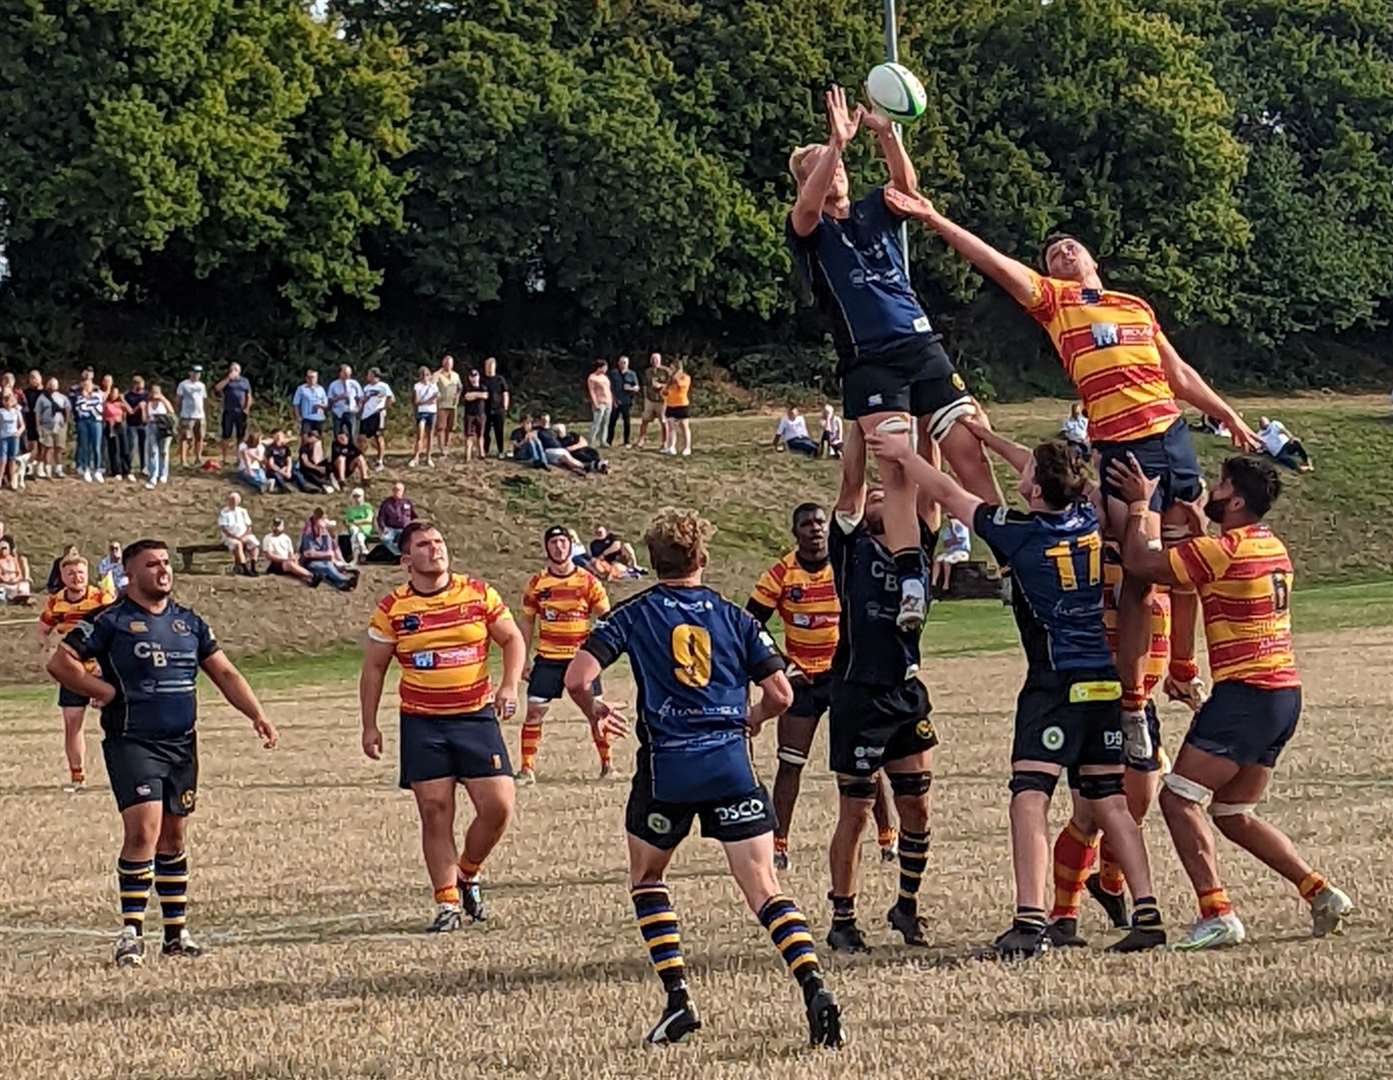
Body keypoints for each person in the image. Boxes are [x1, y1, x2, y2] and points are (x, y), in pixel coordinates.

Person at [892, 191, 1263, 741]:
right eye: (1052, 254)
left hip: (1172, 432)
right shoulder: (1055, 302)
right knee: (1140, 569)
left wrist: (1227, 413)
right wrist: (934, 218)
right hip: (1122, 445)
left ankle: (1184, 670)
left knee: (1193, 555)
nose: (1062, 250)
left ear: (1094, 258)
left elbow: (1178, 375)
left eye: (1071, 246)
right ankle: (1135, 703)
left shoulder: (1134, 306)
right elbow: (994, 263)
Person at [871, 426, 1169, 955]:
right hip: (1103, 680)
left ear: (1033, 492)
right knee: (1110, 800)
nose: (1020, 473)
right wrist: (986, 436)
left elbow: (946, 491)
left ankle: (1030, 921)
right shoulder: (1089, 517)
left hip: (1054, 682)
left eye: (1026, 474)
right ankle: (1147, 914)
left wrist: (902, 455)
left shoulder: (1018, 532)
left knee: (1029, 797)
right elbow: (1046, 470)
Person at [563, 507, 844, 1049]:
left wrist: (595, 710)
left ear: (652, 559)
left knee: (647, 878)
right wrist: (753, 720)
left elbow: (578, 677)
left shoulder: (632, 612)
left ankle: (678, 1001)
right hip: (729, 764)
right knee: (764, 887)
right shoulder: (736, 617)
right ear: (703, 558)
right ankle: (814, 985)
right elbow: (782, 695)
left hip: (668, 767)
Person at [1109, 452, 1353, 948]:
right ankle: (1320, 891)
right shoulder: (1272, 547)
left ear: (1236, 499)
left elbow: (1140, 563)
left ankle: (1217, 912)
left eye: (1218, 486)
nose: (1210, 493)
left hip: (1246, 693)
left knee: (1178, 799)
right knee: (1232, 813)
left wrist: (1138, 506)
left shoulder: (1226, 550)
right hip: (1283, 695)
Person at [787, 87, 1002, 636]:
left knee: (968, 450)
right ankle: (911, 576)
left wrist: (885, 135)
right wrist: (834, 142)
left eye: (834, 163)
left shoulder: (871, 209)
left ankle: (1010, 551)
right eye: (818, 166)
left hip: (920, 344)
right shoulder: (809, 229)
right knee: (898, 465)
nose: (832, 170)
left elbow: (910, 191)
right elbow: (808, 207)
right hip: (869, 361)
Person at [47, 538, 278, 966]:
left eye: (167, 563)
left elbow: (224, 672)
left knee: (173, 836)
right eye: (152, 564)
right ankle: (131, 934)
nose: (163, 570)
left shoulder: (188, 623)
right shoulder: (109, 621)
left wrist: (256, 714)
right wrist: (101, 690)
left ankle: (175, 934)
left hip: (181, 744)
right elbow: (61, 663)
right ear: (130, 575)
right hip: (133, 741)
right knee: (143, 831)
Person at [361, 521, 525, 931]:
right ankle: (447, 902)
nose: (435, 549)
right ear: (406, 560)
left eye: (439, 541)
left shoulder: (478, 593)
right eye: (423, 544)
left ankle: (467, 870)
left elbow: (513, 640)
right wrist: (370, 725)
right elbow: (374, 669)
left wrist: (508, 686)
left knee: (499, 806)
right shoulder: (392, 609)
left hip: (475, 716)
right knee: (435, 812)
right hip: (422, 723)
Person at [820, 425, 939, 952]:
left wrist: (925, 422)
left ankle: (906, 906)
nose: (879, 496)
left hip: (905, 691)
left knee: (918, 808)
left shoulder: (918, 541)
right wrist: (859, 414)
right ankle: (842, 918)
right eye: (875, 494)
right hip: (858, 693)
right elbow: (850, 480)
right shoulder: (850, 547)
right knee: (858, 809)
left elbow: (930, 481)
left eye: (888, 491)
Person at [747, 503, 897, 872]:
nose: (815, 529)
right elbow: (751, 623)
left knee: (865, 761)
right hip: (804, 682)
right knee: (790, 763)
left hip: (846, 677)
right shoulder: (782, 572)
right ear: (795, 531)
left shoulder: (848, 564)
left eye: (819, 522)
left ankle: (887, 834)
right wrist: (780, 663)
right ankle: (779, 843)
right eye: (806, 524)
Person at [515, 526, 613, 784]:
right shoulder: (537, 583)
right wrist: (523, 659)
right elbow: (526, 622)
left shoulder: (588, 581)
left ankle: (608, 765)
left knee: (596, 712)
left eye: (563, 542)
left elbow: (607, 619)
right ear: (546, 547)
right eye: (554, 542)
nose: (559, 547)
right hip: (548, 659)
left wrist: (599, 655)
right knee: (534, 712)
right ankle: (526, 770)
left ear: (571, 546)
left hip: (581, 660)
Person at [38, 553, 117, 791]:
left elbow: (115, 631)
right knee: (72, 724)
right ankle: (77, 776)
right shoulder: (55, 601)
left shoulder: (102, 598)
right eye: (71, 573)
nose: (76, 577)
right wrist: (48, 648)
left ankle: (123, 773)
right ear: (62, 576)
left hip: (101, 670)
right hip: (72, 672)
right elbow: (43, 629)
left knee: (116, 724)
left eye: (81, 572)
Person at [300, 509, 357, 590]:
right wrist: (327, 555)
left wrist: (339, 561)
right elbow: (309, 553)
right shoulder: (309, 533)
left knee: (330, 565)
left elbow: (333, 548)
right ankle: (345, 580)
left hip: (325, 560)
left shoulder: (325, 532)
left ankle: (341, 584)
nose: (325, 521)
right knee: (327, 566)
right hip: (310, 562)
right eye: (322, 519)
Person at [214, 363, 253, 466]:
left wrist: (247, 408)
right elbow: (217, 388)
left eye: (235, 369)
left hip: (241, 412)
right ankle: (225, 458)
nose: (233, 371)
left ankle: (239, 458)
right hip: (228, 412)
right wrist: (228, 379)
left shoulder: (245, 381)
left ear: (239, 371)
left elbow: (248, 396)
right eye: (232, 369)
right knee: (226, 435)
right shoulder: (227, 381)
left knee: (241, 436)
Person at [34, 376, 70, 479]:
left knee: (59, 448)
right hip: (46, 426)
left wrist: (66, 422)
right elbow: (37, 413)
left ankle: (58, 469)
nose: (52, 387)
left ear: (57, 386)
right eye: (50, 385)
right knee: (48, 448)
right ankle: (47, 470)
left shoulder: (62, 397)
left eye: (54, 385)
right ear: (47, 385)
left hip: (60, 426)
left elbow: (67, 408)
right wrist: (38, 426)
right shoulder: (42, 398)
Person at [217, 491, 260, 577]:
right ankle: (244, 568)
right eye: (231, 500)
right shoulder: (224, 512)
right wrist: (235, 537)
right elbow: (223, 528)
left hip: (243, 535)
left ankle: (253, 565)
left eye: (235, 500)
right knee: (238, 544)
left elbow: (249, 526)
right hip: (230, 536)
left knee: (254, 542)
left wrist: (244, 535)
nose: (232, 502)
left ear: (238, 501)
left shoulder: (243, 511)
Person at [359, 368, 395, 470]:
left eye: (369, 374)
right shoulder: (366, 387)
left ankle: (380, 461)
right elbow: (363, 400)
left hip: (377, 414)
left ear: (374, 375)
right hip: (366, 415)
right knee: (361, 438)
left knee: (378, 437)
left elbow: (391, 398)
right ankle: (361, 459)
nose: (367, 376)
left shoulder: (383, 386)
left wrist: (384, 408)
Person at [261, 518, 316, 584]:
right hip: (275, 564)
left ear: (283, 527)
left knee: (295, 561)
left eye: (278, 526)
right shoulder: (268, 538)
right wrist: (285, 559)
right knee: (289, 563)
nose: (276, 528)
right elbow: (269, 555)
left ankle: (309, 579)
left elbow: (290, 553)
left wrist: (293, 558)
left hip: (286, 562)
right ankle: (311, 576)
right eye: (275, 525)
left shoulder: (286, 538)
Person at [141, 382, 175, 488]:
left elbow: (171, 411)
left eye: (157, 392)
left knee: (164, 451)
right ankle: (153, 475)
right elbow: (145, 419)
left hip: (164, 427)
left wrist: (162, 399)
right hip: (152, 426)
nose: (155, 394)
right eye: (153, 392)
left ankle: (163, 473)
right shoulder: (148, 403)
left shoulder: (163, 402)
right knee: (153, 452)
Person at [73, 374, 106, 482]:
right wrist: (90, 407)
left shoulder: (98, 395)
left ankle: (97, 470)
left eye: (89, 385)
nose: (87, 387)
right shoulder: (79, 397)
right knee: (85, 446)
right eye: (85, 385)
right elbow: (81, 410)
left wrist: (88, 407)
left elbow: (99, 409)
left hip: (96, 423)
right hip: (83, 423)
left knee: (96, 447)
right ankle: (86, 469)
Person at [175, 366, 208, 468]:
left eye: (199, 373)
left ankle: (198, 458)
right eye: (195, 372)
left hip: (200, 415)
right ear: (190, 373)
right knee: (184, 438)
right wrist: (180, 411)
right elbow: (178, 399)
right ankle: (183, 460)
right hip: (187, 415)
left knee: (200, 437)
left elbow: (204, 399)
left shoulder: (202, 385)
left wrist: (204, 412)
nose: (197, 374)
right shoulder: (183, 384)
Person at [931, 514, 971, 593]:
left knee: (946, 560)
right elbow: (946, 543)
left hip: (961, 552)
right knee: (937, 559)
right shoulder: (948, 529)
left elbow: (960, 540)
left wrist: (953, 535)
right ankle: (934, 582)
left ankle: (946, 584)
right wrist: (952, 537)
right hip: (951, 552)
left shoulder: (962, 527)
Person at [637, 352, 669, 449]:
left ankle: (665, 442)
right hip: (650, 399)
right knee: (645, 420)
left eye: (657, 359)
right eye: (653, 359)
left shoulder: (666, 371)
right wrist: (645, 396)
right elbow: (645, 385)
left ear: (660, 360)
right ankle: (641, 440)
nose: (655, 361)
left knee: (663, 421)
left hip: (662, 400)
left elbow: (671, 384)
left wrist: (662, 386)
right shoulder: (648, 372)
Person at [376, 481, 417, 556]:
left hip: (405, 529)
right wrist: (384, 528)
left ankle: (410, 555)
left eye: (399, 490)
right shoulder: (386, 503)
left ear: (403, 491)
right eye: (395, 489)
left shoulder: (407, 502)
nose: (396, 492)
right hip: (391, 529)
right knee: (385, 539)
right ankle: (398, 554)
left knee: (411, 540)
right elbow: (380, 518)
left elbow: (413, 516)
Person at [607, 355, 640, 447]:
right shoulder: (613, 373)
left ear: (628, 364)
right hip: (616, 401)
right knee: (612, 422)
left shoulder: (632, 374)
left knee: (627, 422)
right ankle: (609, 441)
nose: (623, 364)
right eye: (621, 362)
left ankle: (626, 441)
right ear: (618, 363)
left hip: (627, 401)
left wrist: (631, 388)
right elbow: (610, 388)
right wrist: (613, 400)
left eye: (625, 363)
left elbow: (637, 387)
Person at [661, 360, 692, 456]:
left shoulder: (685, 377)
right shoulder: (670, 380)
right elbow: (665, 391)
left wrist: (675, 377)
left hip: (681, 405)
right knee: (671, 427)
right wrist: (664, 391)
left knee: (684, 426)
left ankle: (687, 447)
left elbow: (680, 386)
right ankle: (671, 447)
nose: (671, 370)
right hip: (671, 405)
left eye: (672, 368)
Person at [410, 365, 439, 468]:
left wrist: (425, 401)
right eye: (422, 375)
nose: (425, 377)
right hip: (421, 412)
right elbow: (416, 401)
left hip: (432, 412)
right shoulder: (417, 386)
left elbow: (435, 400)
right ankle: (416, 457)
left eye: (427, 374)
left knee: (430, 435)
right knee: (420, 435)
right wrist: (428, 401)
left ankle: (428, 457)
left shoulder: (434, 386)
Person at [481, 356, 510, 458]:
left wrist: (505, 407)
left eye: (490, 366)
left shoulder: (500, 379)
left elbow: (505, 393)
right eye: (487, 366)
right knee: (485, 432)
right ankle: (485, 450)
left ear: (494, 367)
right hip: (485, 409)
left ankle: (501, 451)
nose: (488, 368)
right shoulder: (482, 379)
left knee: (499, 431)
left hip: (499, 409)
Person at [328, 364, 364, 444]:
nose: (347, 375)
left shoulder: (354, 384)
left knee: (352, 434)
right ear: (340, 373)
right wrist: (339, 398)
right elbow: (330, 400)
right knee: (337, 434)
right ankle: (338, 453)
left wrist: (359, 408)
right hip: (338, 412)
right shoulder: (333, 385)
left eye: (349, 373)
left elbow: (360, 397)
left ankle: (352, 452)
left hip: (351, 411)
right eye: (345, 373)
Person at [433, 355, 461, 458]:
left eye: (450, 364)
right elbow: (432, 384)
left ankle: (447, 446)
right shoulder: (438, 375)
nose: (449, 366)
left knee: (450, 427)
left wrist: (457, 398)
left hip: (453, 405)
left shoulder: (456, 375)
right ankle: (441, 449)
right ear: (443, 364)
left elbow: (459, 388)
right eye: (447, 363)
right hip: (441, 405)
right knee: (441, 427)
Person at [343, 487, 376, 564]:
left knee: (355, 536)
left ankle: (355, 559)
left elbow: (369, 519)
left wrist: (356, 522)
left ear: (363, 497)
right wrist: (356, 523)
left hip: (365, 528)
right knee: (356, 534)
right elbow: (347, 522)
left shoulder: (367, 507)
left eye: (359, 496)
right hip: (354, 528)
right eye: (355, 496)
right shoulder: (350, 509)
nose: (357, 498)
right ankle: (363, 549)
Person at [292, 369, 328, 437]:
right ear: (306, 378)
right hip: (306, 418)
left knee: (319, 439)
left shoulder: (321, 389)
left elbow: (326, 404)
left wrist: (321, 406)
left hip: (319, 418)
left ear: (317, 378)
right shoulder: (301, 389)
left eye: (314, 377)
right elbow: (296, 404)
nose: (312, 379)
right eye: (310, 377)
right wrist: (298, 417)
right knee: (305, 438)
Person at [0, 387, 24, 490]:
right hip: (3, 438)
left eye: (10, 400)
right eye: (6, 400)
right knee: (2, 460)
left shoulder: (16, 412)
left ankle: (13, 480)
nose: (8, 403)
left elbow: (22, 425)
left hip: (14, 437)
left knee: (12, 459)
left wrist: (19, 432)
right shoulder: (1, 412)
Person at [587, 359, 613, 448]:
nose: (606, 369)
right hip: (599, 402)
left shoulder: (605, 377)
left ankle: (603, 441)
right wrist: (595, 403)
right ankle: (591, 441)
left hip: (608, 402)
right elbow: (592, 391)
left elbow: (608, 389)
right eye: (605, 367)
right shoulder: (592, 377)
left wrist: (612, 400)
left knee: (605, 422)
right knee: (597, 422)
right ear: (600, 367)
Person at [0, 538, 33, 604]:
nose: (2, 550)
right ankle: (9, 599)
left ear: (9, 549)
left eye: (4, 548)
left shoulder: (14, 560)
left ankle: (22, 597)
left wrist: (16, 579)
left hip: (16, 583)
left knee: (24, 584)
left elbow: (19, 573)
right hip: (4, 585)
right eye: (0, 548)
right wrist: (6, 580)